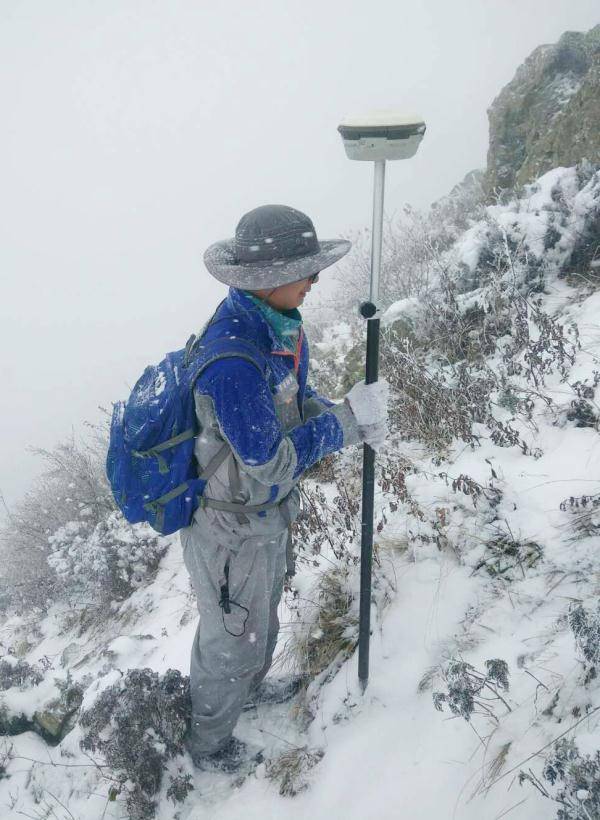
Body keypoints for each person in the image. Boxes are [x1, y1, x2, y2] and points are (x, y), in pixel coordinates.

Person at [180, 203, 388, 770]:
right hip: (230, 529)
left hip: (263, 518)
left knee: (260, 617)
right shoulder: (234, 362)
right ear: (269, 280)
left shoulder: (279, 328)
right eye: (306, 270)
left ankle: (248, 693)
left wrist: (346, 415)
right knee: (229, 637)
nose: (315, 280)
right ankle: (207, 746)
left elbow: (296, 402)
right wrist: (347, 421)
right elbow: (271, 461)